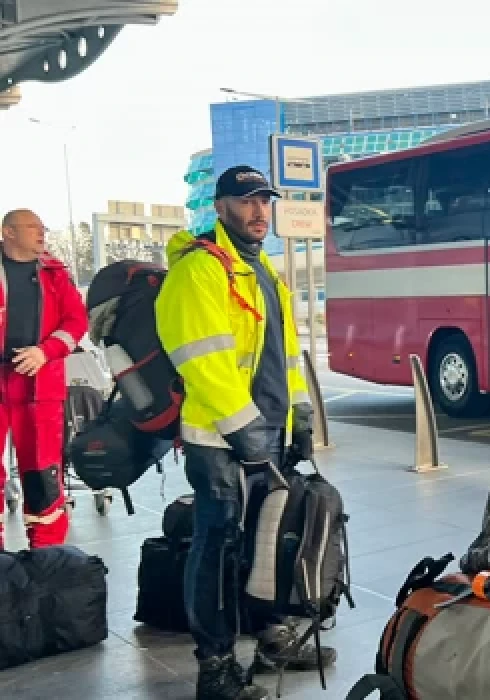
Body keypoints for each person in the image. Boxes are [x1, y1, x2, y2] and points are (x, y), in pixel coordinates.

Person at [155, 166, 332, 700]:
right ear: (221, 206)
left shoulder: (263, 272)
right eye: (246, 200)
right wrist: (246, 431)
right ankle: (215, 667)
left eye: (264, 201)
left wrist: (298, 414)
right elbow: (200, 362)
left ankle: (271, 635)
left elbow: (284, 359)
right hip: (219, 441)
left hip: (267, 434)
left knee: (266, 542)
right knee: (218, 545)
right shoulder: (200, 271)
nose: (258, 211)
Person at [0, 209, 87, 550]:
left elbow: (76, 322)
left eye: (42, 227)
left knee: (42, 473)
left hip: (39, 386)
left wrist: (45, 351)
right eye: (33, 227)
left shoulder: (55, 273)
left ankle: (48, 556)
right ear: (8, 232)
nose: (41, 233)